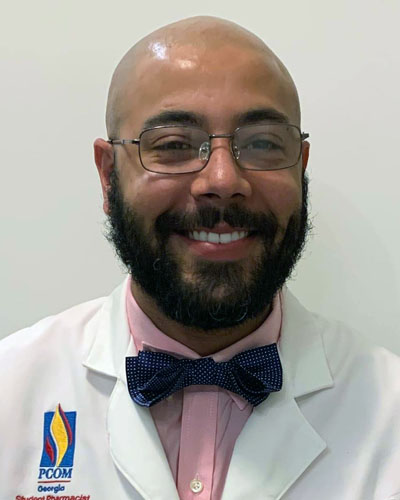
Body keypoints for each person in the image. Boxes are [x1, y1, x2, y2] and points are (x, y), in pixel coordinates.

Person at [1, 15, 399, 500]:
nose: (223, 179)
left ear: (301, 167)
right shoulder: (10, 391)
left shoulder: (390, 412)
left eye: (261, 144)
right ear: (109, 177)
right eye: (173, 145)